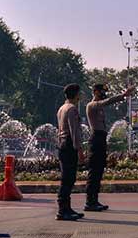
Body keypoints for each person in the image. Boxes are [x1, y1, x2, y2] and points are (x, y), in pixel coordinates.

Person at [84, 83, 135, 211]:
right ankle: (89, 202)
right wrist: (123, 95)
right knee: (94, 172)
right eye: (101, 91)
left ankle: (94, 200)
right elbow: (107, 101)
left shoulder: (99, 107)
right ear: (95, 92)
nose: (103, 94)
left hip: (101, 139)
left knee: (99, 171)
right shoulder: (92, 105)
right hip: (95, 139)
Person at [56, 83, 85, 221]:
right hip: (69, 145)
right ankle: (63, 210)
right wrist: (79, 150)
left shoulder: (62, 108)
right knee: (68, 178)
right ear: (75, 94)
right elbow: (74, 132)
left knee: (67, 178)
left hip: (62, 144)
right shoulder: (72, 109)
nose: (81, 95)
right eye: (80, 93)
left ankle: (67, 208)